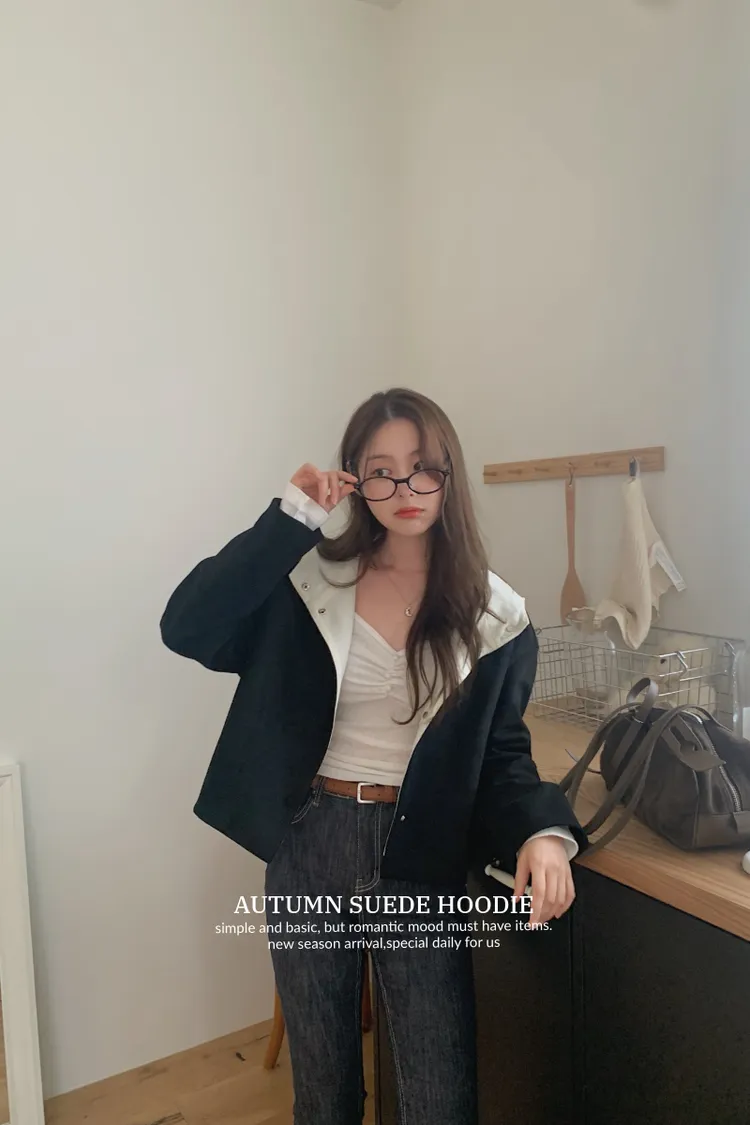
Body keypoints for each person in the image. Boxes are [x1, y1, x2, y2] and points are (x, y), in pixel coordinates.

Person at [160, 387, 588, 1125]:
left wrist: (543, 832)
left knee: (439, 1091)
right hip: (310, 840)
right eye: (381, 471)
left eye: (423, 467)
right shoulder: (308, 581)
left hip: (419, 851)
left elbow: (503, 756)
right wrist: (289, 518)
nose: (405, 488)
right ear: (355, 479)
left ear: (449, 474)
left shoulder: (497, 616)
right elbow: (187, 626)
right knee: (324, 1092)